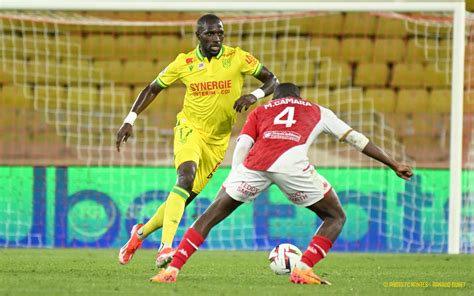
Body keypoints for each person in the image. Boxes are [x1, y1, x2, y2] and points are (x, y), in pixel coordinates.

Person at [150, 83, 413, 284]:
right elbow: (356, 139)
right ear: (299, 97)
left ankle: (172, 270)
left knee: (208, 218)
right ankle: (303, 268)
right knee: (335, 216)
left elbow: (242, 144)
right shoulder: (317, 110)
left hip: (254, 166)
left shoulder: (261, 110)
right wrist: (393, 164)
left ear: (276, 98)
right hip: (292, 165)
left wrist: (234, 178)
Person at [116, 14, 278, 267]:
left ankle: (138, 235)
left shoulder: (237, 57)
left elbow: (272, 80)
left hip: (217, 141)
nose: (216, 38)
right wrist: (129, 119)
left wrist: (254, 95)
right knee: (185, 177)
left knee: (182, 197)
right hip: (189, 128)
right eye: (210, 34)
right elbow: (152, 88)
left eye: (220, 33)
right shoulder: (184, 62)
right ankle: (165, 247)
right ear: (199, 36)